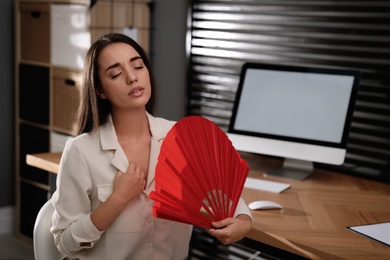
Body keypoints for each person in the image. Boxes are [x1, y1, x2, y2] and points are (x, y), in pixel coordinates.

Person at [50, 33, 252, 259]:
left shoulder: (182, 139)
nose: (132, 78)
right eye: (116, 74)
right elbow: (65, 243)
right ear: (100, 90)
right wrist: (117, 200)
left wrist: (243, 223)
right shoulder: (80, 151)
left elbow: (229, 198)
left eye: (138, 66)